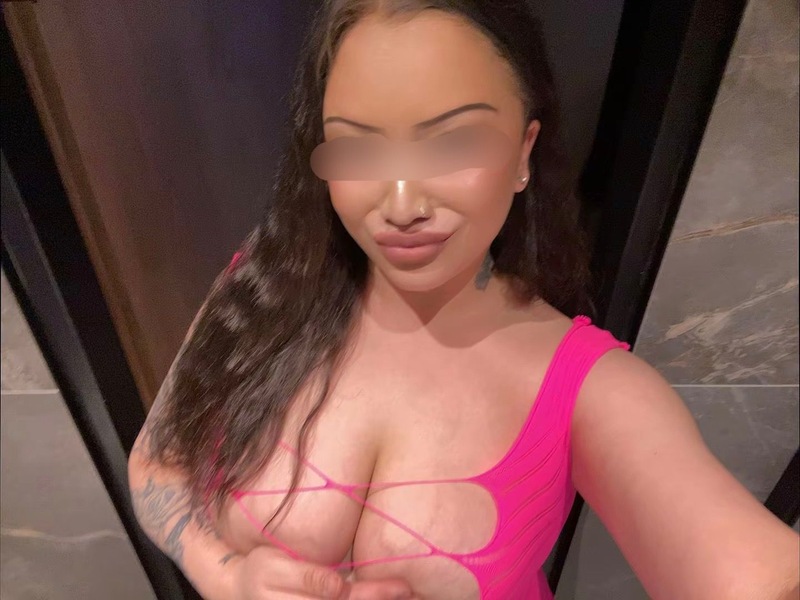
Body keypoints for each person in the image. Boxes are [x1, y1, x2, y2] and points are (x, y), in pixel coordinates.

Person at [127, 1, 800, 599]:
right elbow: (156, 464)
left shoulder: (589, 391)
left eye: (453, 142)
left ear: (525, 152)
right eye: (357, 147)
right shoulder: (266, 280)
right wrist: (226, 575)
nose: (401, 205)